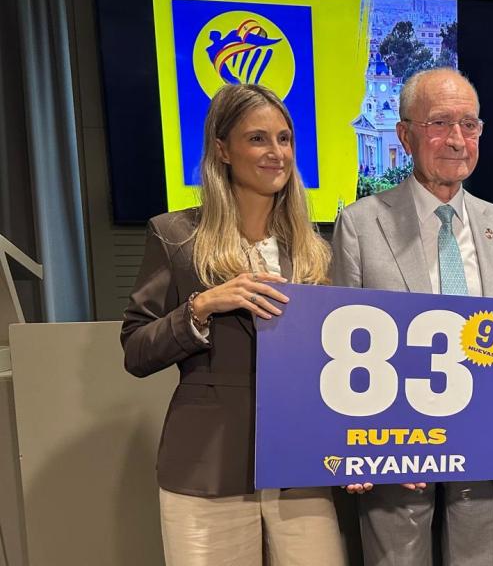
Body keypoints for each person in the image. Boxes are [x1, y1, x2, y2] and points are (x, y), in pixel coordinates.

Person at [121, 84, 344, 565]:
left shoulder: (312, 248)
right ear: (222, 149)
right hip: (207, 466)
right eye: (258, 139)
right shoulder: (176, 236)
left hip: (299, 466)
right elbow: (136, 351)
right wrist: (200, 307)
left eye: (284, 139)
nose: (276, 153)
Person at [331, 67, 493, 566]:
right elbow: (341, 348)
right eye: (440, 123)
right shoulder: (359, 225)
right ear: (404, 134)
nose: (457, 139)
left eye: (470, 124)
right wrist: (353, 449)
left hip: (479, 439)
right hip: (393, 448)